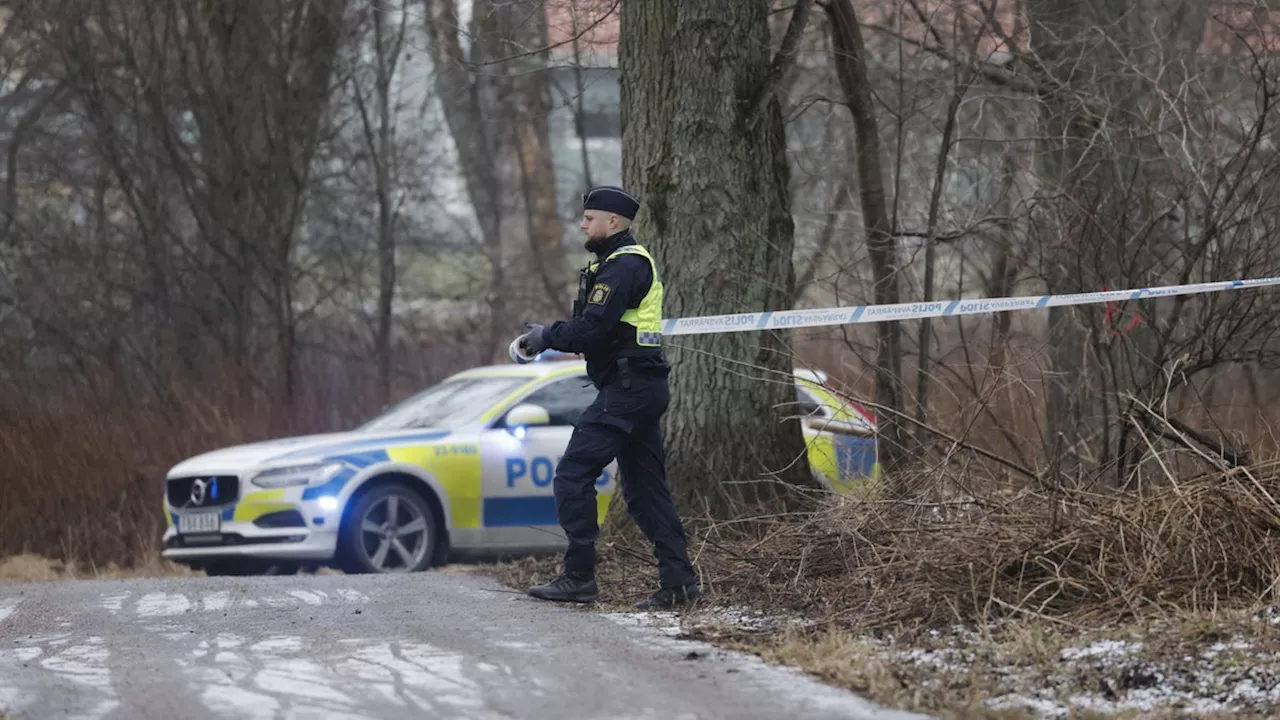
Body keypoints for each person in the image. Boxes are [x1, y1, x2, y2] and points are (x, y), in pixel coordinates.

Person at [514, 185, 701, 610]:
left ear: (612, 222)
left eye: (589, 218)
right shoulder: (618, 264)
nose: (582, 224)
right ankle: (679, 584)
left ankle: (579, 578)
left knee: (572, 474)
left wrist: (546, 336)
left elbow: (593, 328)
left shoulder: (624, 266)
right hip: (637, 386)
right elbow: (598, 329)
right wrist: (550, 334)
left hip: (629, 388)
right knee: (645, 493)